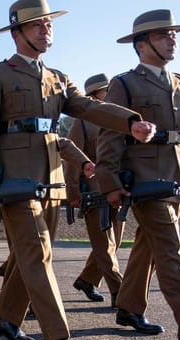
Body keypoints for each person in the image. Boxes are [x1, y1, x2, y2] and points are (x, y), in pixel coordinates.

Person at [0, 1, 155, 340]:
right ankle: (58, 339)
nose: (46, 30)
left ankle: (6, 319)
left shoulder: (58, 78)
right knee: (37, 253)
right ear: (16, 32)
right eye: (37, 25)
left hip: (51, 180)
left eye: (49, 25)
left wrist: (130, 121)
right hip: (14, 180)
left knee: (38, 253)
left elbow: (88, 108)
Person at [96, 9, 180, 340]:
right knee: (169, 250)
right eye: (163, 35)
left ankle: (128, 307)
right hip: (144, 180)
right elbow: (110, 133)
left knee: (149, 248)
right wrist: (109, 181)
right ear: (142, 45)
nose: (172, 39)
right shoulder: (124, 83)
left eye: (174, 34)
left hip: (177, 178)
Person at [64, 74, 124, 307]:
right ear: (93, 95)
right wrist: (73, 191)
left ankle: (87, 280)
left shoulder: (120, 118)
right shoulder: (82, 122)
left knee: (114, 243)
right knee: (104, 244)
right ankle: (120, 293)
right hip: (94, 192)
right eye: (105, 90)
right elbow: (71, 157)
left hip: (119, 188)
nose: (110, 93)